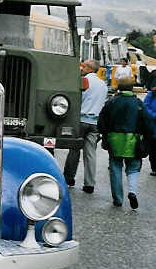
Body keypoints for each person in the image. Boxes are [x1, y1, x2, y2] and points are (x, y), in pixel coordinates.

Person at [98, 77, 151, 209]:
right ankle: (132, 191)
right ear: (132, 87)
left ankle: (118, 199)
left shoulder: (112, 102)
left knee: (115, 168)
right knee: (133, 167)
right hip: (133, 140)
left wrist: (105, 135)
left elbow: (102, 121)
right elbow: (147, 123)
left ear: (118, 87)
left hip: (114, 139)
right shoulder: (138, 103)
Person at [64, 59, 108, 193]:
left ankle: (69, 178)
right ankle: (89, 184)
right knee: (90, 154)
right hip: (95, 122)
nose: (81, 69)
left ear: (89, 68)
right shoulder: (103, 85)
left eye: (83, 66)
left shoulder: (83, 81)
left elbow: (77, 100)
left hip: (81, 120)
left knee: (74, 150)